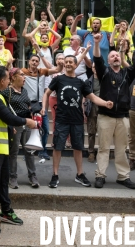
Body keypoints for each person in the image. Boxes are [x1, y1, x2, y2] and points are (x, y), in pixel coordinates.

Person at [42, 55, 113, 189]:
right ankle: (55, 175)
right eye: (66, 62)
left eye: (70, 62)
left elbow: (92, 97)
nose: (68, 64)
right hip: (62, 120)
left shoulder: (81, 83)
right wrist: (43, 108)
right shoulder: (58, 79)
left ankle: (80, 174)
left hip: (77, 120)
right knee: (57, 147)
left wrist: (105, 103)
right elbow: (46, 93)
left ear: (75, 65)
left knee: (78, 147)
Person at [0, 66, 37, 234]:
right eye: (7, 78)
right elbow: (8, 117)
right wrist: (27, 121)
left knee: (3, 180)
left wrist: (9, 127)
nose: (8, 81)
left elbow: (4, 119)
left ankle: (5, 211)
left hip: (1, 146)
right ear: (2, 81)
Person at [91, 34, 135, 189]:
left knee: (122, 149)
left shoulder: (127, 73)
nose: (116, 57)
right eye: (112, 56)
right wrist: (96, 43)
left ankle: (123, 176)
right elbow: (97, 59)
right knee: (103, 148)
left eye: (117, 55)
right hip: (105, 117)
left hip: (123, 117)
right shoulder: (103, 72)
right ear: (109, 60)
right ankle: (100, 175)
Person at [1, 68, 39, 189]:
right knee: (14, 152)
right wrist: (10, 125)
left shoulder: (24, 91)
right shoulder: (7, 92)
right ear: (13, 77)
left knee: (29, 151)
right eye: (22, 75)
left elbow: (27, 104)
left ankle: (32, 176)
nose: (24, 77)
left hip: (27, 124)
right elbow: (5, 110)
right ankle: (12, 178)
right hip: (16, 125)